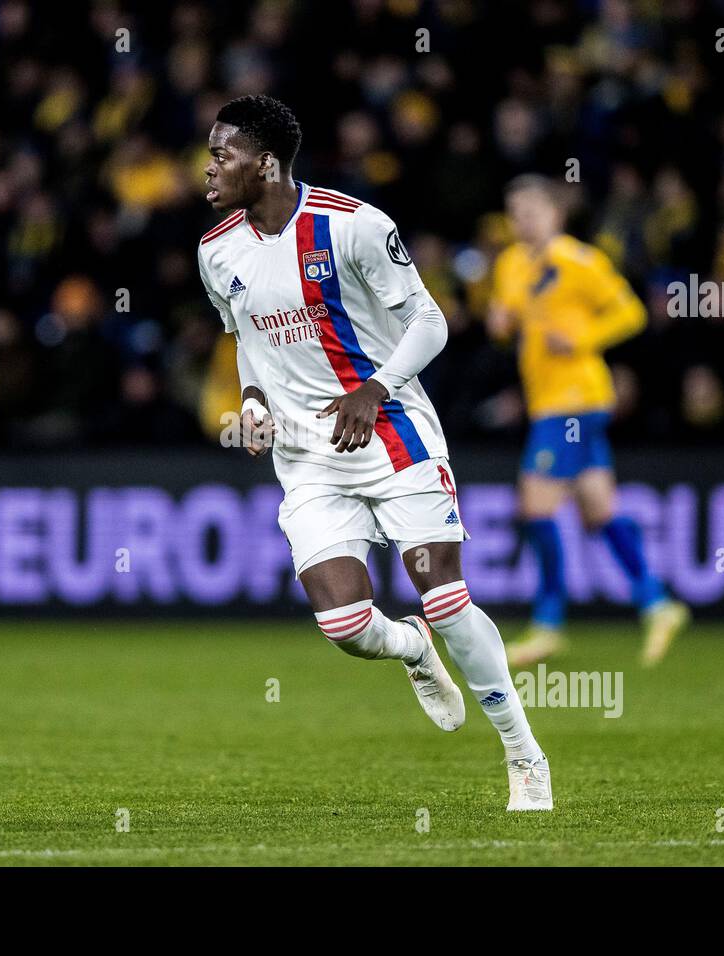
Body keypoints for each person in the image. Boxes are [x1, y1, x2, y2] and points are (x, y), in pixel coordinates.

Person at [197, 95, 551, 810]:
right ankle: (413, 650)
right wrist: (257, 402)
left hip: (392, 434)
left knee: (447, 596)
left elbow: (430, 319)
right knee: (346, 627)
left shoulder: (353, 225)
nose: (208, 168)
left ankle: (524, 755)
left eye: (221, 153)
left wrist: (375, 388)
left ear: (264, 163)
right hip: (305, 456)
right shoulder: (216, 251)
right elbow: (249, 348)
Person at [487, 175, 689, 668]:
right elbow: (507, 319)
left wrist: (581, 339)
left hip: (575, 399)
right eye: (515, 213)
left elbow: (630, 313)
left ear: (555, 215)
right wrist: (499, 322)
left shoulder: (580, 261)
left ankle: (548, 624)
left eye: (532, 211)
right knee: (598, 510)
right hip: (548, 399)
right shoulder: (512, 263)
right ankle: (657, 603)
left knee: (535, 505)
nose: (522, 221)